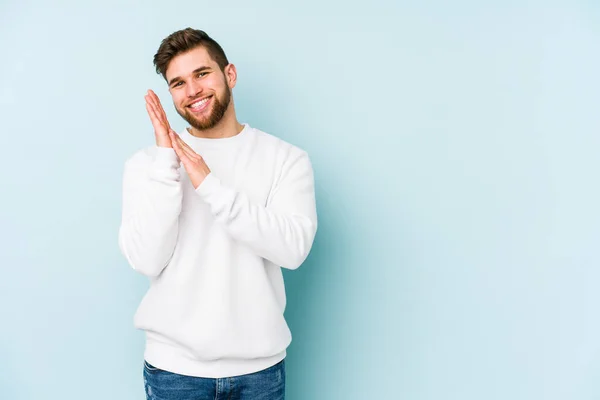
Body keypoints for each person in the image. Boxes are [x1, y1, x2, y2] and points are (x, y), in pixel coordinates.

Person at [118, 28, 318, 400]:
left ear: (230, 75)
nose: (192, 90)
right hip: (174, 372)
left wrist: (209, 185)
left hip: (259, 373)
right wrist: (168, 163)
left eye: (202, 74)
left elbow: (292, 250)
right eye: (178, 83)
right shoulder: (147, 165)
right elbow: (147, 259)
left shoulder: (286, 159)